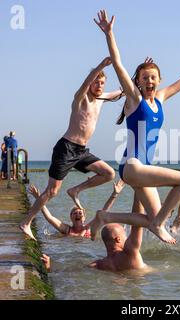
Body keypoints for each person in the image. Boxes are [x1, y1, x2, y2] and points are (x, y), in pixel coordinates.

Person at [91, 10, 180, 244]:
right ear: (137, 82)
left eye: (153, 78)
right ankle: (157, 224)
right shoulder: (134, 100)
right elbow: (118, 65)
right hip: (132, 166)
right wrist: (109, 34)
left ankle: (105, 216)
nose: (149, 81)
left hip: (144, 168)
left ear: (159, 80)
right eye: (144, 78)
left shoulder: (160, 98)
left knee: (156, 214)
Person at [20, 57, 123, 241]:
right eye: (96, 82)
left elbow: (121, 92)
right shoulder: (80, 98)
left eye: (102, 82)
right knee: (52, 191)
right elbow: (85, 83)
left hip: (82, 151)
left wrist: (137, 80)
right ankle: (26, 222)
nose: (99, 85)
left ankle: (75, 190)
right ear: (90, 83)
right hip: (66, 148)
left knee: (109, 174)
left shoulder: (102, 99)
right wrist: (100, 66)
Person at [27, 179, 125, 239]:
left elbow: (104, 211)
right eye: (75, 213)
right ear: (71, 217)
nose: (78, 214)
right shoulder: (66, 229)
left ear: (84, 218)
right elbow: (50, 218)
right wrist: (39, 199)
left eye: (80, 213)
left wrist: (115, 194)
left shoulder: (89, 228)